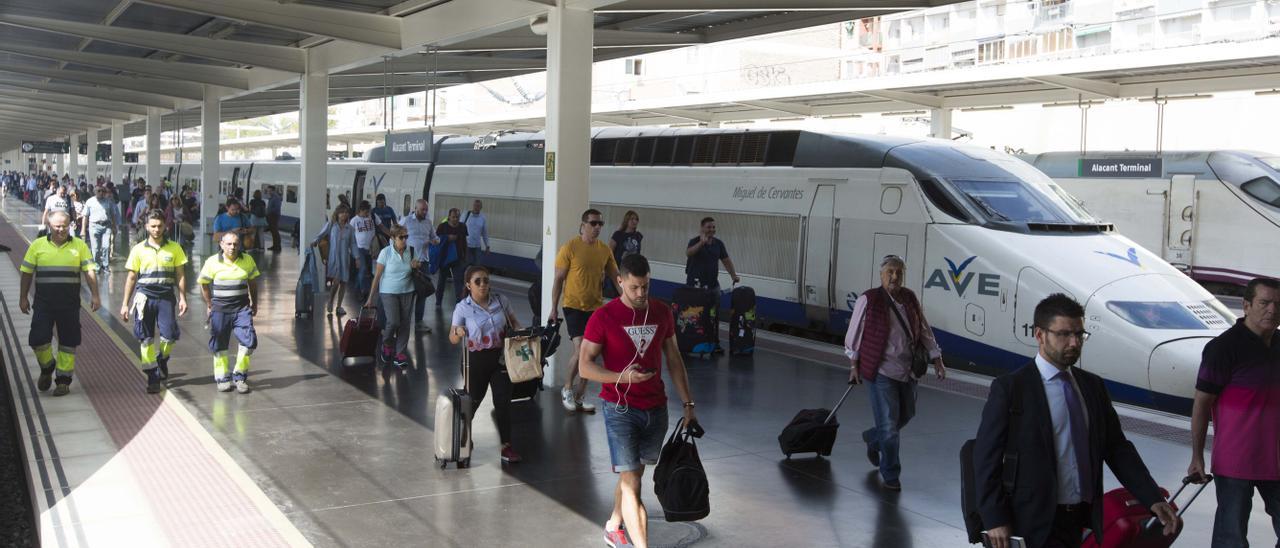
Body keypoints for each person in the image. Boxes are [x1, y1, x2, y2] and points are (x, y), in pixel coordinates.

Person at [974, 294, 1178, 548]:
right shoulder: (1011, 389)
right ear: (1039, 335)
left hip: (1080, 518)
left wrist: (1151, 497)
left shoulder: (1092, 387)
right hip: (1030, 521)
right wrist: (994, 517)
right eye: (1064, 334)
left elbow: (1116, 447)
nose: (1074, 342)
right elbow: (986, 458)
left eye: (1079, 335)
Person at [576, 254, 697, 548]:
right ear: (620, 282)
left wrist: (688, 403)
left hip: (655, 409)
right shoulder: (603, 317)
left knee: (634, 476)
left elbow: (673, 358)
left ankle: (613, 524)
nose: (641, 294)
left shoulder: (661, 312)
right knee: (632, 483)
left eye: (646, 286)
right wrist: (623, 377)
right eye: (634, 288)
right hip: (620, 409)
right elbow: (585, 367)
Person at [1187, 277, 1280, 547]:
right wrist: (1197, 456)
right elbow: (1202, 403)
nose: (1272, 310)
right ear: (1246, 305)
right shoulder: (1222, 348)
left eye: (1278, 304)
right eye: (1264, 303)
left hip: (1276, 459)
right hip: (1235, 460)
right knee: (1232, 536)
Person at [844, 254, 945, 490]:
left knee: (906, 414)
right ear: (881, 274)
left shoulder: (909, 297)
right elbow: (854, 333)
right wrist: (853, 365)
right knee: (889, 427)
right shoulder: (869, 299)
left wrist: (937, 358)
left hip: (908, 370)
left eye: (899, 271)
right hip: (880, 370)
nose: (895, 276)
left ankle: (872, 438)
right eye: (890, 271)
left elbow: (923, 328)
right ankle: (890, 474)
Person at [18, 210, 101, 396]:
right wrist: (23, 297)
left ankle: (63, 381)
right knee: (38, 339)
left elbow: (89, 272)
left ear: (70, 225)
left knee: (68, 342)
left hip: (69, 303)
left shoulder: (79, 246)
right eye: (57, 226)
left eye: (64, 225)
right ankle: (47, 367)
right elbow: (27, 273)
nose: (61, 229)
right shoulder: (37, 245)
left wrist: (95, 295)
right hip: (43, 303)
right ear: (49, 225)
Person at [548, 209, 623, 414]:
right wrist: (553, 308)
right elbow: (558, 280)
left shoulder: (604, 250)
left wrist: (628, 299)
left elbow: (616, 277)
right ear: (583, 225)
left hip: (595, 308)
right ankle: (567, 389)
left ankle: (580, 396)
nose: (597, 227)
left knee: (592, 354)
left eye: (600, 223)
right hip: (573, 306)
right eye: (593, 223)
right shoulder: (570, 247)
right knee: (581, 349)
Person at [449, 265, 524, 464]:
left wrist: (520, 330)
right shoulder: (463, 307)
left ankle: (506, 446)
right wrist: (458, 332)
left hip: (501, 358)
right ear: (468, 285)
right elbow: (452, 337)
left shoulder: (501, 301)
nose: (483, 285)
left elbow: (514, 322)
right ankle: (463, 438)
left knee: (502, 402)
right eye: (478, 281)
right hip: (475, 360)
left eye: (486, 280)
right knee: (472, 401)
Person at [119, 211, 188, 393]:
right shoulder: (138, 249)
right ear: (147, 227)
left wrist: (183, 298)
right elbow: (132, 277)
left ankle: (161, 360)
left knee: (169, 335)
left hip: (166, 297)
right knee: (146, 338)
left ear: (165, 226)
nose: (157, 229)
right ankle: (152, 376)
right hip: (144, 297)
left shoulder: (175, 248)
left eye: (160, 226)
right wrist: (125, 303)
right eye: (153, 226)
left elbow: (180, 274)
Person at [197, 232, 260, 394]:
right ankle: (223, 378)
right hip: (220, 309)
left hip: (242, 308)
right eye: (229, 244)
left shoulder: (247, 260)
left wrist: (255, 303)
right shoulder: (212, 262)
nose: (232, 247)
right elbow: (204, 284)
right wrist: (209, 303)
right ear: (221, 244)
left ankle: (239, 377)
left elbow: (253, 284)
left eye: (235, 244)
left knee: (248, 342)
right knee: (220, 344)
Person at [365, 225, 420, 369]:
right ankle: (387, 344)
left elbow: (416, 269)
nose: (404, 240)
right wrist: (370, 298)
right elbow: (377, 277)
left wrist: (416, 266)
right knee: (393, 321)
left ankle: (400, 354)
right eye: (401, 237)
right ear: (393, 238)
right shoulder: (386, 253)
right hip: (388, 292)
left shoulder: (411, 251)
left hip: (408, 291)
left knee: (405, 323)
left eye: (406, 236)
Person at [401, 199, 440, 332]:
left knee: (422, 292)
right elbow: (394, 237)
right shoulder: (406, 221)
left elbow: (435, 237)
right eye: (422, 209)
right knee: (408, 292)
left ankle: (419, 322)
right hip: (409, 262)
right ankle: (403, 321)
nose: (425, 212)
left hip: (423, 261)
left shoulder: (428, 223)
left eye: (426, 210)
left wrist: (435, 240)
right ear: (415, 208)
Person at [312, 206, 356, 317]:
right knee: (336, 281)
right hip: (334, 258)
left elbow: (353, 244)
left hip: (345, 258)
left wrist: (357, 258)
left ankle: (339, 306)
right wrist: (315, 241)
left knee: (344, 282)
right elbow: (321, 234)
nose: (344, 214)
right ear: (337, 214)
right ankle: (331, 300)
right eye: (342, 212)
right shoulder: (331, 225)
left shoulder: (350, 229)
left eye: (346, 212)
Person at [684, 216, 739, 290]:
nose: (712, 229)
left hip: (713, 284)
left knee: (716, 300)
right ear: (702, 228)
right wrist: (702, 243)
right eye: (709, 227)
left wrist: (733, 275)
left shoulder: (719, 243)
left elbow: (726, 261)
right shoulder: (694, 241)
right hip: (695, 284)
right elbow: (688, 253)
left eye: (713, 227)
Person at [434, 207, 468, 308]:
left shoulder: (463, 227)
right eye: (453, 217)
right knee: (442, 280)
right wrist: (447, 238)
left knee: (458, 281)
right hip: (444, 258)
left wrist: (465, 255)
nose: (455, 219)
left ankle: (459, 303)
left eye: (457, 217)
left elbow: (464, 242)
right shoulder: (442, 227)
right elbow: (436, 241)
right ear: (449, 217)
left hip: (458, 259)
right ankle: (438, 301)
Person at [81, 185, 119, 273]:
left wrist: (114, 226)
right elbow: (85, 216)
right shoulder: (89, 202)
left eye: (102, 191)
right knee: (96, 248)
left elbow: (113, 215)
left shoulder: (108, 202)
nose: (101, 193)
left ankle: (105, 265)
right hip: (94, 226)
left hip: (106, 226)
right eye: (98, 191)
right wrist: (83, 229)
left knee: (106, 246)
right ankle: (97, 266)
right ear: (95, 192)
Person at [606, 211, 642, 298]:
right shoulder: (618, 235)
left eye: (636, 219)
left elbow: (638, 252)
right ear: (626, 220)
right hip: (618, 270)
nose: (634, 221)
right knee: (619, 295)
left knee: (631, 295)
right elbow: (609, 252)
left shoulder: (638, 236)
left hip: (632, 271)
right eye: (632, 219)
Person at [350, 201, 378, 299]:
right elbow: (350, 235)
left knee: (368, 271)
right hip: (359, 248)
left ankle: (358, 289)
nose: (367, 214)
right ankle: (364, 291)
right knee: (363, 269)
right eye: (366, 212)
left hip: (369, 248)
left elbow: (380, 226)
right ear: (360, 211)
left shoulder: (372, 217)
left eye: (368, 212)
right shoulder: (354, 221)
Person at [463, 199, 489, 266]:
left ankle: (475, 276)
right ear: (473, 206)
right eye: (475, 205)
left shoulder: (483, 218)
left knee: (477, 265)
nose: (476, 207)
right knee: (465, 265)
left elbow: (485, 233)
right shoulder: (466, 215)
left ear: (481, 207)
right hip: (466, 245)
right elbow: (459, 227)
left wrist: (487, 246)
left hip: (477, 246)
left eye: (478, 206)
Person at [266, 186, 283, 251]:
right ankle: (275, 245)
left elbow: (277, 208)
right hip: (271, 216)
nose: (268, 192)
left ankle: (277, 246)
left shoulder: (276, 198)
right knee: (273, 231)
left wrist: (269, 211)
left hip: (274, 216)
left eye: (270, 190)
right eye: (268, 190)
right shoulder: (272, 197)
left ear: (273, 190)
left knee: (275, 231)